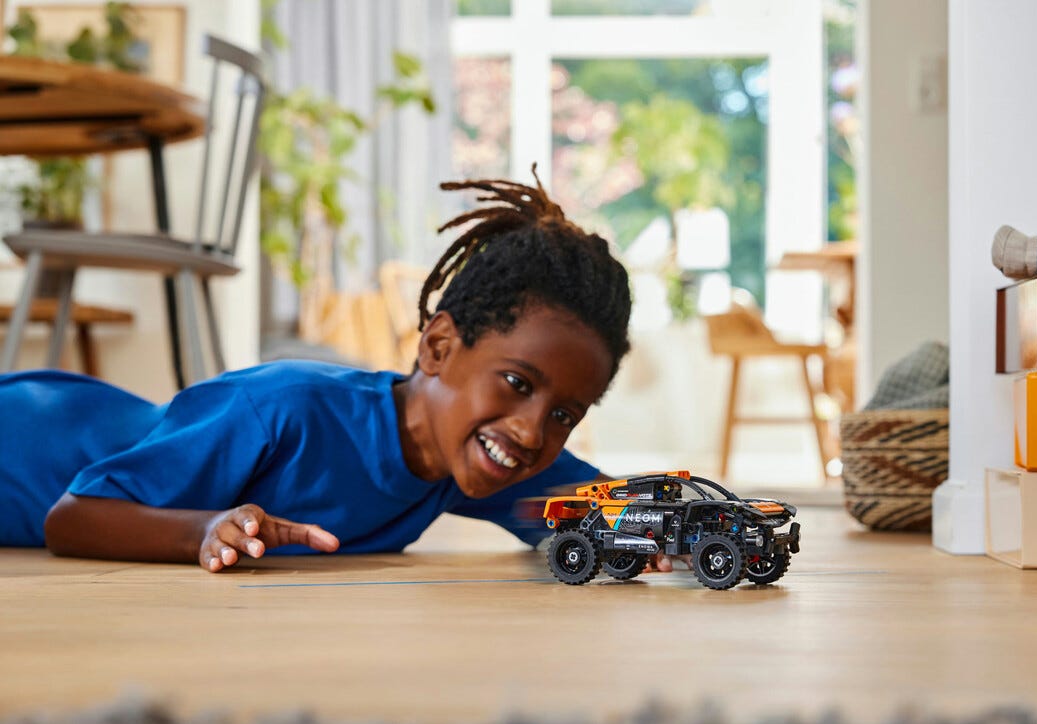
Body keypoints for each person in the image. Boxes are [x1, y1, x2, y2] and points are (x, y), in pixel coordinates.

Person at [0, 169, 691, 573]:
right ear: (439, 348)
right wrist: (203, 530)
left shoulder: (483, 452)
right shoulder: (285, 407)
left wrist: (668, 534)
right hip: (27, 438)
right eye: (517, 383)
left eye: (565, 413)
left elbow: (606, 509)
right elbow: (74, 518)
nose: (535, 431)